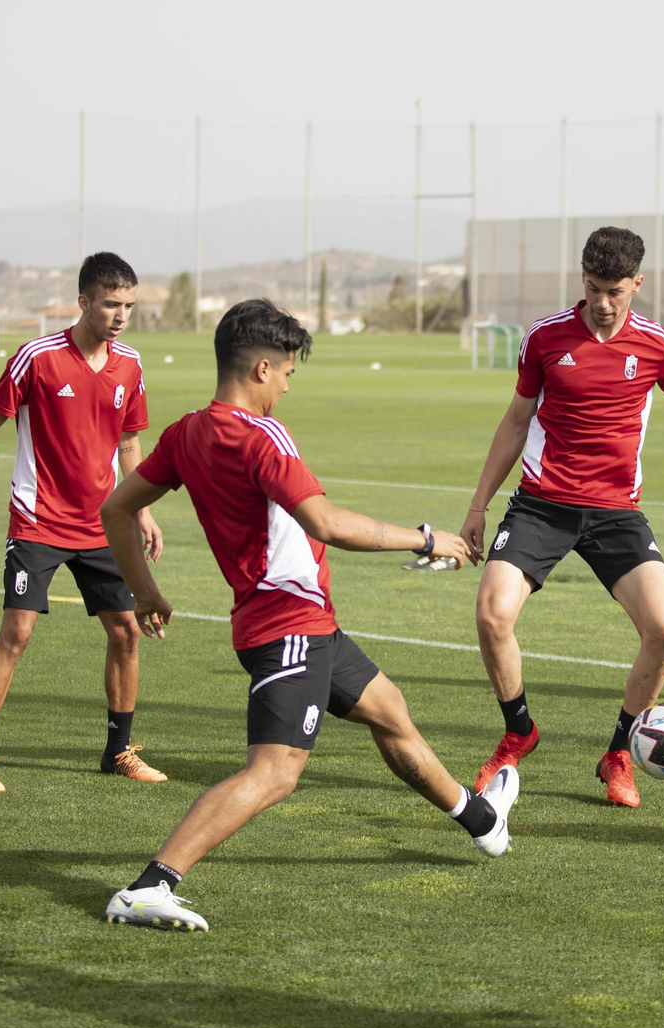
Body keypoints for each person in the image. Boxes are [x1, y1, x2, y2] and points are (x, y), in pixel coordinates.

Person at [99, 299, 514, 933]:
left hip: (303, 623)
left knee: (391, 712)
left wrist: (146, 592)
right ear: (263, 368)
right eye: (288, 373)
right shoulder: (261, 436)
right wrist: (426, 538)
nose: (288, 386)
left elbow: (117, 510)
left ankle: (482, 822)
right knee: (275, 771)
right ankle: (150, 886)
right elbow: (327, 524)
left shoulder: (187, 433)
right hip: (285, 625)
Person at [460, 227, 664, 809]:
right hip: (542, 503)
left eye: (615, 290)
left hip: (616, 512)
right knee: (491, 613)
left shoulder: (661, 345)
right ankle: (518, 733)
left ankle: (617, 752)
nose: (603, 303)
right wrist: (479, 505)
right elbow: (515, 422)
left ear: (638, 283)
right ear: (580, 278)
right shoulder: (544, 338)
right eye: (592, 288)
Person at [0, 252, 166, 793]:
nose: (121, 315)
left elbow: (129, 442)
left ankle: (119, 750)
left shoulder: (131, 365)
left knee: (126, 632)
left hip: (102, 525)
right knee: (17, 632)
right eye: (111, 304)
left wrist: (140, 508)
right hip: (37, 520)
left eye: (129, 306)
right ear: (84, 302)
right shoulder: (38, 357)